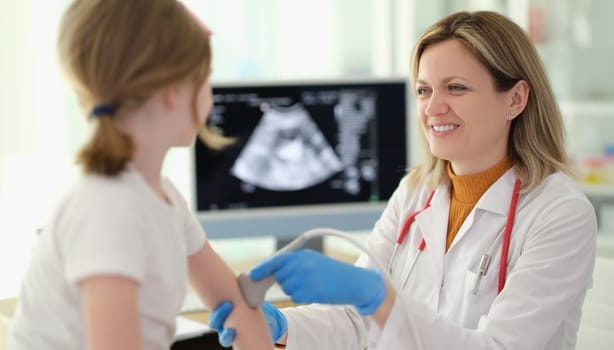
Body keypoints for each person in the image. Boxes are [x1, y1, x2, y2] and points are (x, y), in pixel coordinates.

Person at [209, 10, 598, 349]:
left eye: (456, 88)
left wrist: (378, 299)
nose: (433, 107)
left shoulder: (559, 214)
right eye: (424, 90)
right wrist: (282, 326)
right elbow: (354, 323)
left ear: (515, 99)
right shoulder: (416, 192)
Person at [7, 1, 273, 349]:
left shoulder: (165, 200)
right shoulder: (107, 208)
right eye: (205, 79)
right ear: (174, 91)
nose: (210, 98)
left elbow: (235, 303)